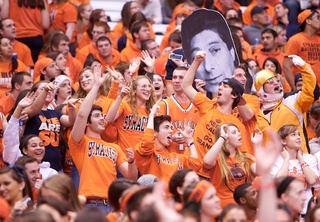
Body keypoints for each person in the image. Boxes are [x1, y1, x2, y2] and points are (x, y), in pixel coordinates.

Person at [69, 65, 138, 214]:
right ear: (87, 123)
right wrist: (96, 86)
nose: (102, 119)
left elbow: (131, 176)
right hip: (91, 205)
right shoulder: (80, 142)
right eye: (96, 116)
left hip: (113, 207)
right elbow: (81, 115)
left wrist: (132, 162)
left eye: (102, 116)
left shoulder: (115, 147)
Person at [181, 51, 252, 180]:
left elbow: (242, 156)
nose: (219, 88)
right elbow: (185, 86)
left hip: (211, 176)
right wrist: (197, 61)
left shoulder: (237, 125)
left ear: (234, 95)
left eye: (225, 86)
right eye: (219, 85)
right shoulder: (208, 105)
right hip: (189, 169)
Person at [255, 55, 318, 154]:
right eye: (270, 82)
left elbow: (311, 91)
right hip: (273, 165)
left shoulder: (292, 99)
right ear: (261, 90)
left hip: (299, 161)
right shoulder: (257, 113)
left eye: (277, 80)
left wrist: (304, 67)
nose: (276, 83)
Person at [134, 104, 201, 183]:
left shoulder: (176, 157)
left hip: (174, 195)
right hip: (156, 194)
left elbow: (195, 165)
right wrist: (151, 116)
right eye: (166, 127)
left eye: (171, 128)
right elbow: (147, 143)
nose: (171, 131)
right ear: (155, 133)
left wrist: (190, 140)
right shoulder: (148, 155)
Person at [181, 9, 239, 95]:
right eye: (197, 58)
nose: (208, 67)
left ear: (232, 51)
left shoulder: (250, 99)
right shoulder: (199, 103)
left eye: (215, 50)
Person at [203, 124, 256, 208]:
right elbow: (206, 162)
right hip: (223, 208)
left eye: (238, 131)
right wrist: (222, 138)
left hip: (243, 208)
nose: (239, 134)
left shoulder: (246, 158)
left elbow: (260, 171)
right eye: (234, 132)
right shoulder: (216, 159)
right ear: (226, 138)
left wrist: (258, 145)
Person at [271, 124, 319, 215]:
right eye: (293, 135)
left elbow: (312, 180)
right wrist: (286, 160)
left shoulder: (309, 158)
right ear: (283, 141)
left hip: (306, 212)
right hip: (284, 213)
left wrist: (301, 160)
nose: (298, 137)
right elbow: (279, 182)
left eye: (299, 134)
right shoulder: (275, 160)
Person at [106, 75, 157, 153]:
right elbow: (109, 119)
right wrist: (120, 97)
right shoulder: (125, 105)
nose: (147, 89)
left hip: (143, 157)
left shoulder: (153, 110)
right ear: (135, 90)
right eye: (144, 86)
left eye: (149, 86)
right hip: (123, 157)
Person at [158, 66, 200, 153]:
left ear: (189, 80)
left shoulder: (199, 105)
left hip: (194, 159)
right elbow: (155, 135)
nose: (177, 80)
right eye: (174, 77)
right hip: (172, 159)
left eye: (181, 77)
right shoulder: (164, 105)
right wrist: (172, 138)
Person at [283, 9, 320, 89]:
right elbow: (286, 66)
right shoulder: (295, 40)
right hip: (303, 87)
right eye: (317, 17)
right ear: (308, 21)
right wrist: (294, 88)